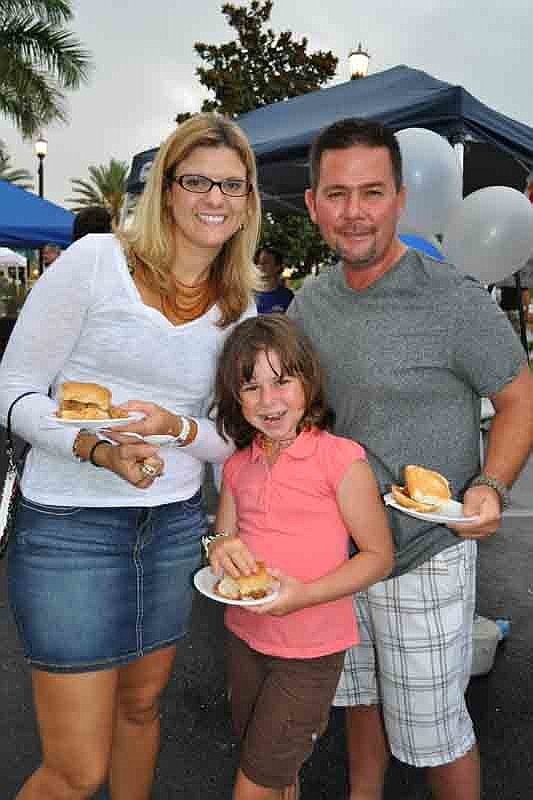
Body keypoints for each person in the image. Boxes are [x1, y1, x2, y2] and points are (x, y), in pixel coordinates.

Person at [0, 112, 261, 800]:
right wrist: (92, 447)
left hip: (172, 528)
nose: (214, 198)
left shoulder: (238, 307)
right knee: (74, 769)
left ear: (248, 202)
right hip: (68, 529)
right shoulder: (97, 263)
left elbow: (234, 437)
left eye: (232, 186)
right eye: (197, 180)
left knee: (141, 709)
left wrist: (176, 429)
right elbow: (14, 391)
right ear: (166, 190)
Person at [287, 117, 533, 800]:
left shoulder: (450, 297)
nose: (354, 213)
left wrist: (488, 484)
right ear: (312, 204)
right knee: (358, 700)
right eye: (336, 194)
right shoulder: (312, 301)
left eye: (372, 192)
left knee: (434, 734)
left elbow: (519, 398)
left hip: (425, 551)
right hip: (340, 551)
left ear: (399, 197)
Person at [207, 314, 394, 800]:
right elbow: (222, 542)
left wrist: (304, 595)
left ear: (308, 382)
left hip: (309, 652)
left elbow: (378, 557)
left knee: (255, 783)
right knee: (276, 771)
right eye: (251, 387)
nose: (269, 401)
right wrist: (217, 547)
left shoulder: (341, 459)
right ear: (235, 398)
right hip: (245, 639)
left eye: (282, 381)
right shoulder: (236, 465)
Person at [255, 245, 294, 313]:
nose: (260, 265)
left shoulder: (287, 297)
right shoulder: (248, 295)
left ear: (277, 267)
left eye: (265, 262)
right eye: (259, 262)